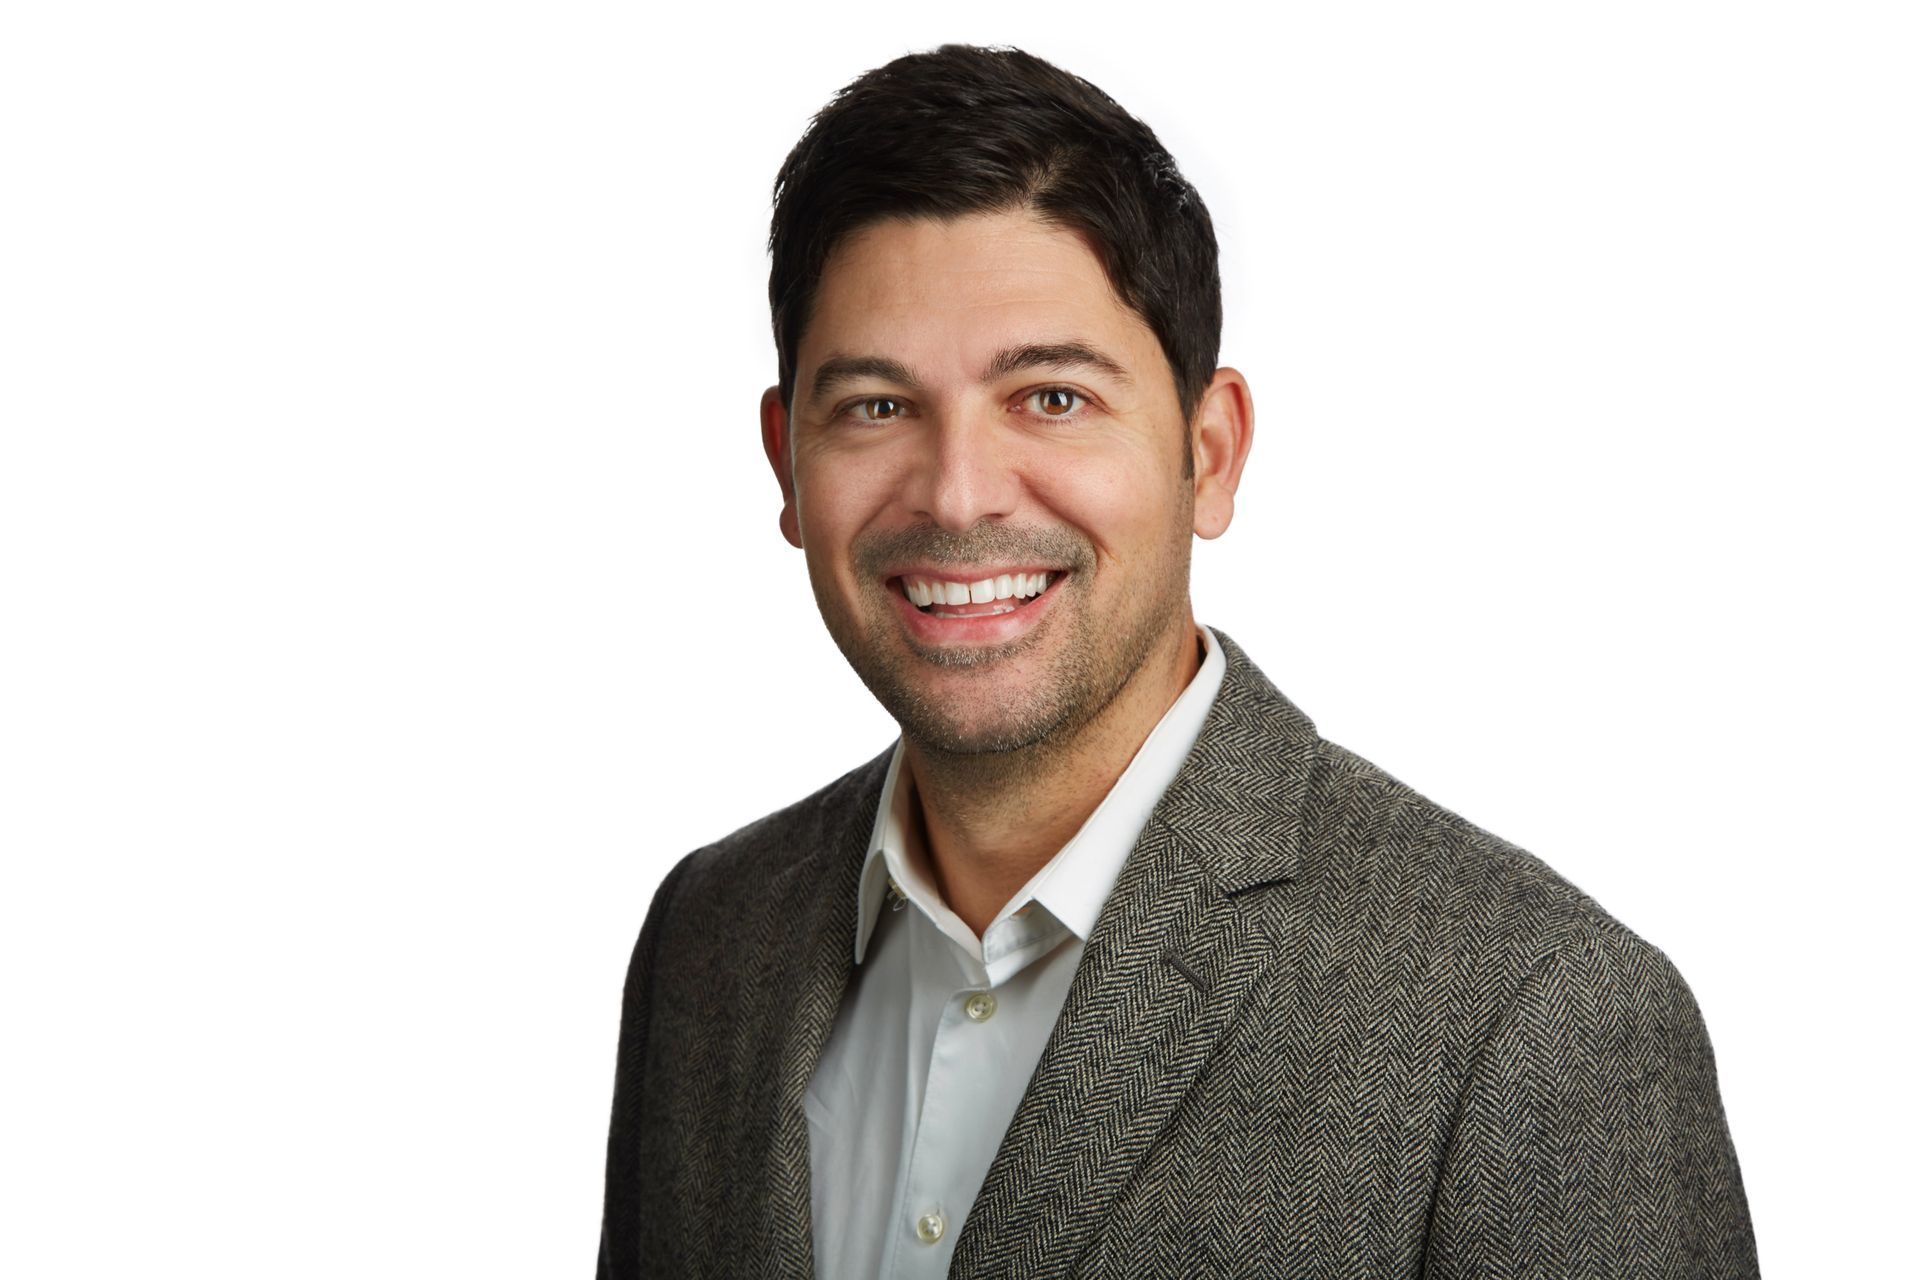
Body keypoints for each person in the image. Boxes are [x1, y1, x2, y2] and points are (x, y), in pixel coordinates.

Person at [597, 43, 1759, 1279]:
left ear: (1211, 451)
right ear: (786, 461)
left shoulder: (1535, 1024)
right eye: (877, 407)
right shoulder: (709, 937)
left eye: (1050, 397)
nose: (959, 493)